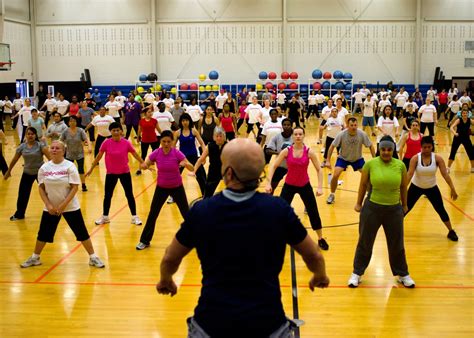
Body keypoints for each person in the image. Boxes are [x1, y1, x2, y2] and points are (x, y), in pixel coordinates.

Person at [156, 138, 329, 337]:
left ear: (228, 173)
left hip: (212, 323)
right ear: (259, 173)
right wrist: (320, 275)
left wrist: (166, 279)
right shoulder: (278, 210)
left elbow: (171, 257)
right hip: (268, 323)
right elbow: (313, 255)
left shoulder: (202, 211)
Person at [19, 140, 105, 269]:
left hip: (70, 207)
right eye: (52, 148)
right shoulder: (44, 168)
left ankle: (93, 257)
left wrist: (63, 206)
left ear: (63, 151)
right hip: (51, 208)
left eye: (57, 148)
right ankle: (35, 257)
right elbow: (41, 188)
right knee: (43, 233)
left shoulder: (69, 166)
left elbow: (75, 188)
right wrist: (48, 205)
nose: (54, 150)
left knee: (81, 232)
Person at [348, 135, 415, 288]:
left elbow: (404, 187)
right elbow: (363, 185)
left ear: (393, 150)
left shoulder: (400, 165)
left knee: (397, 243)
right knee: (365, 242)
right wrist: (358, 203)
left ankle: (402, 274)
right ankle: (357, 273)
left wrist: (404, 205)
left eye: (389, 149)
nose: (386, 152)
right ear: (379, 149)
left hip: (394, 210)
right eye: (383, 149)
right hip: (372, 208)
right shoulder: (370, 164)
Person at [266, 127, 329, 250]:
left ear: (303, 136)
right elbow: (273, 166)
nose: (298, 136)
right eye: (296, 134)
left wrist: (320, 187)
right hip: (289, 185)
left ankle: (320, 238)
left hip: (304, 185)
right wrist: (268, 183)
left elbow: (319, 170)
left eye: (300, 134)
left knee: (313, 212)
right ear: (293, 137)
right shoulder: (286, 151)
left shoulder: (309, 152)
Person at [136, 130, 194, 250]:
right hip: (161, 187)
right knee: (153, 214)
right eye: (164, 141)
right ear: (160, 142)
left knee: (186, 214)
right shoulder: (156, 153)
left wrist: (185, 164)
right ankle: (144, 240)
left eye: (168, 141)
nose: (166, 144)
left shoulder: (177, 153)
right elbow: (145, 164)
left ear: (172, 142)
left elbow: (191, 167)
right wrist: (144, 166)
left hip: (177, 187)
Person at [86, 122, 145, 226]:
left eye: (118, 130)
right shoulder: (106, 143)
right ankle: (105, 217)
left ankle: (134, 216)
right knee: (107, 196)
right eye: (114, 130)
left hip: (124, 173)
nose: (116, 132)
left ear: (121, 131)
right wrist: (91, 168)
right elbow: (99, 156)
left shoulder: (126, 142)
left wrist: (143, 162)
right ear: (110, 131)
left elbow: (134, 153)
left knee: (129, 195)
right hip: (111, 173)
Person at [406, 136, 459, 241]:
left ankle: (451, 231)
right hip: (416, 187)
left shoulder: (438, 158)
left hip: (431, 187)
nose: (426, 149)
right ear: (421, 147)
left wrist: (453, 189)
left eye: (429, 147)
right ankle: (393, 229)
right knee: (404, 209)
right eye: (424, 147)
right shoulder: (415, 158)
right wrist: (402, 190)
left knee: (440, 209)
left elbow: (445, 175)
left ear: (432, 147)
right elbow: (409, 175)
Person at [325, 117, 375, 204]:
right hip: (343, 158)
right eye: (351, 125)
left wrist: (375, 159)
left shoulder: (362, 134)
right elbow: (332, 146)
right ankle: (332, 194)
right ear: (347, 126)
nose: (353, 127)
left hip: (357, 159)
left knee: (367, 176)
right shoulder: (341, 134)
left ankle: (370, 194)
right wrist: (328, 160)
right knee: (336, 175)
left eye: (355, 125)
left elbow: (370, 145)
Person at [4, 127, 50, 221]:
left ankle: (55, 210)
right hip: (27, 173)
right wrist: (8, 171)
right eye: (28, 134)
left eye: (32, 134)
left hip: (40, 173)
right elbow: (14, 159)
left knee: (48, 192)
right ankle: (19, 214)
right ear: (26, 135)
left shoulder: (40, 145)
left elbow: (50, 159)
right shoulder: (22, 147)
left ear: (35, 135)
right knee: (23, 194)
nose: (30, 136)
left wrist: (55, 171)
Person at [174, 114, 206, 196]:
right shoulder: (178, 132)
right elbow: (172, 147)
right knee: (175, 176)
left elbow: (202, 143)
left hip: (194, 157)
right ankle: (173, 196)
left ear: (189, 121)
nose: (185, 122)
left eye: (186, 120)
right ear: (181, 122)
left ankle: (205, 194)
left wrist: (203, 156)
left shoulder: (193, 131)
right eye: (183, 121)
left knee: (202, 176)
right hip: (182, 158)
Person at [193, 127, 227, 198]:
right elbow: (200, 159)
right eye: (217, 136)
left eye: (221, 136)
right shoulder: (210, 146)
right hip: (213, 171)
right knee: (208, 192)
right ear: (214, 137)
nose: (219, 138)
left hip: (226, 171)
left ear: (224, 137)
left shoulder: (228, 145)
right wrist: (194, 171)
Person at [60, 115, 91, 191]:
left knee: (81, 169)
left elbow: (86, 139)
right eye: (70, 121)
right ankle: (69, 184)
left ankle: (83, 184)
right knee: (69, 170)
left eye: (74, 121)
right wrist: (61, 148)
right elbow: (60, 140)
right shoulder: (65, 131)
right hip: (69, 154)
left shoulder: (80, 130)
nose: (72, 122)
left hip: (79, 154)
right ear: (68, 122)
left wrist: (89, 147)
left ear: (76, 122)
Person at [265, 118, 293, 194]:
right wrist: (280, 153)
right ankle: (269, 201)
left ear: (291, 126)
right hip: (281, 165)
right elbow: (267, 150)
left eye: (288, 125)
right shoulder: (277, 137)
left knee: (299, 187)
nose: (286, 126)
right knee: (272, 186)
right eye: (284, 125)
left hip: (293, 166)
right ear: (282, 126)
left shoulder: (296, 136)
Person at [136, 107, 162, 176]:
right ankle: (139, 169)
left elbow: (159, 129)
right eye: (149, 112)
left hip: (154, 140)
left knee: (156, 155)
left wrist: (163, 136)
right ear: (145, 113)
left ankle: (160, 169)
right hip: (144, 140)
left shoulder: (154, 121)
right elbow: (139, 130)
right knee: (143, 155)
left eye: (151, 112)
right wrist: (138, 137)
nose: (150, 113)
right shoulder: (141, 121)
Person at [448, 107, 474, 173]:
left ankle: (472, 168)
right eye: (463, 113)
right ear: (461, 114)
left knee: (471, 153)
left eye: (466, 113)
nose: (465, 114)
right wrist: (455, 133)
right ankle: (448, 167)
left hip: (466, 138)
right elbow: (451, 127)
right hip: (458, 138)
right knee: (453, 152)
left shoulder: (470, 120)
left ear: (468, 114)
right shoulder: (459, 120)